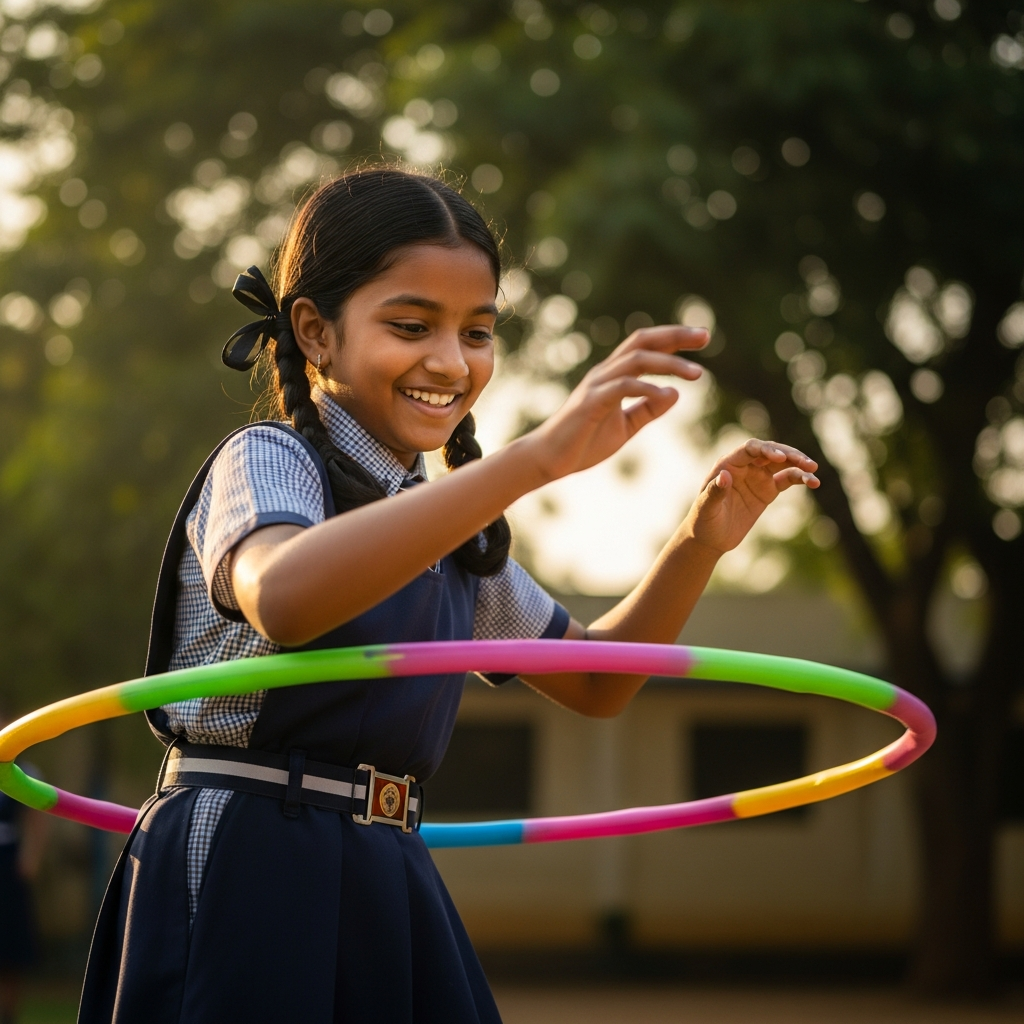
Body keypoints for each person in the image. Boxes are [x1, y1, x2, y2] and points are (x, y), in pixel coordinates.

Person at [78, 168, 819, 1024]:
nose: (450, 361)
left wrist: (697, 541)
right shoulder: (271, 461)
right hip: (249, 852)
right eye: (410, 325)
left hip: (387, 863)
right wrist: (535, 460)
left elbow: (597, 680)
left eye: (477, 332)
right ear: (315, 332)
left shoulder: (456, 535)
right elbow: (284, 594)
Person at [0, 713, 47, 1024]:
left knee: (9, 949)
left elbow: (39, 814)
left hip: (6, 864)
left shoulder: (22, 772)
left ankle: (7, 1015)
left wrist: (31, 859)